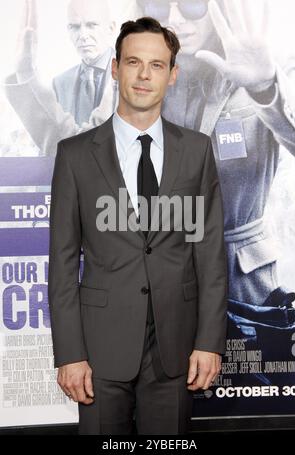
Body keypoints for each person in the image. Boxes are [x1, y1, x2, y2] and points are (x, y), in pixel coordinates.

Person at [48, 16, 228, 435]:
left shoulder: (197, 151)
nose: (144, 75)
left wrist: (208, 342)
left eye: (157, 65)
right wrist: (69, 354)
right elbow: (60, 264)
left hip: (177, 347)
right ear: (115, 68)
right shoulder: (74, 156)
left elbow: (211, 255)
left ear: (172, 75)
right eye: (133, 62)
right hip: (98, 350)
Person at [136, 0, 295, 307]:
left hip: (246, 284)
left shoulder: (265, 61)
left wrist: (265, 87)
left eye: (191, 6)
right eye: (160, 6)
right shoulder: (140, 75)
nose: (173, 19)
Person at [4, 0, 118, 155]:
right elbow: (59, 146)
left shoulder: (133, 76)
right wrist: (24, 74)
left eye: (92, 25)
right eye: (75, 27)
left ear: (111, 28)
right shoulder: (60, 83)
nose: (83, 35)